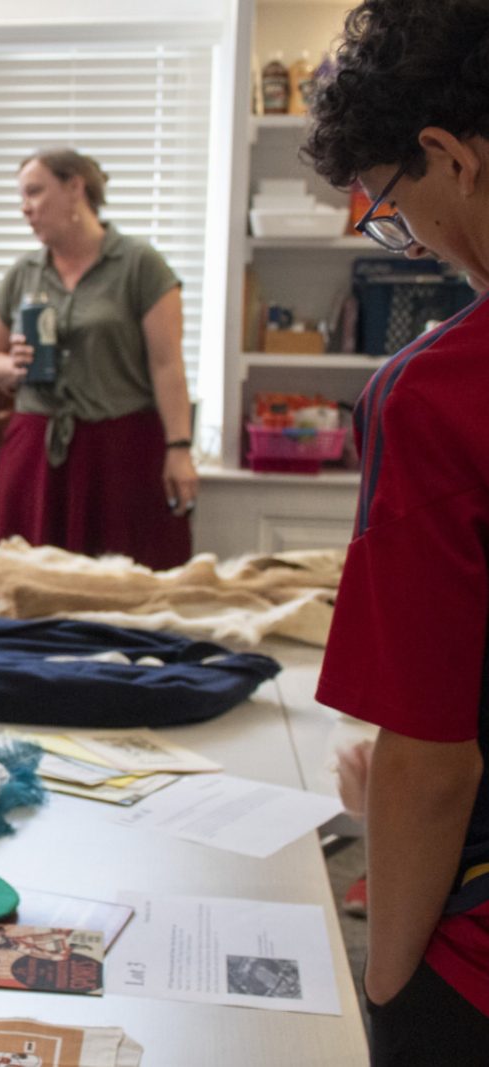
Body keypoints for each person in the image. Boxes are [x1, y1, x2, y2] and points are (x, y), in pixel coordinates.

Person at [303, 2, 489, 1062]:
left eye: (389, 208)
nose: (403, 237)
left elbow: (431, 762)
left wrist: (388, 982)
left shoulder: (436, 394)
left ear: (447, 156)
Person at [0, 148, 198, 570]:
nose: (25, 208)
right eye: (22, 197)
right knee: (32, 585)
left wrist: (179, 448)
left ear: (75, 187)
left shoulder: (140, 265)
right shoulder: (23, 271)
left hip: (121, 453)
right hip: (37, 453)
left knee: (122, 590)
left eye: (35, 192)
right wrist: (12, 366)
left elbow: (168, 366)